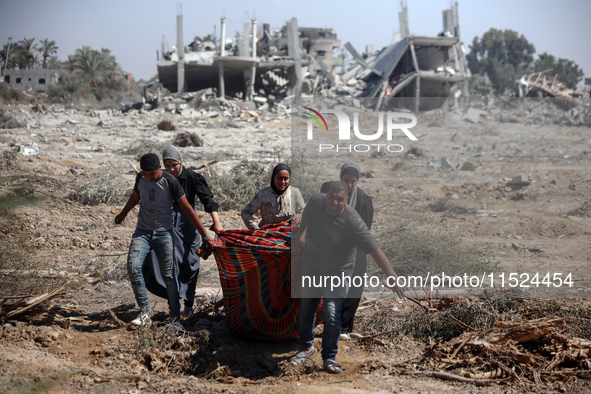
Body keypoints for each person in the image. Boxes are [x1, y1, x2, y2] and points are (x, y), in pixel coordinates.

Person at [290, 181, 404, 374]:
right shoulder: (317, 200)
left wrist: (392, 276)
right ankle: (306, 347)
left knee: (331, 311)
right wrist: (302, 233)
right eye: (331, 197)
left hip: (339, 269)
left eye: (339, 199)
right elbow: (307, 210)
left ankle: (329, 357)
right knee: (306, 307)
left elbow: (375, 250)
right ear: (326, 195)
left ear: (347, 200)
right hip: (313, 263)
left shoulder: (353, 221)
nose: (334, 202)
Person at [114, 153, 211, 327]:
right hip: (142, 232)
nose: (148, 178)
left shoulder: (170, 182)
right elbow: (135, 196)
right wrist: (123, 213)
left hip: (164, 234)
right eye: (145, 174)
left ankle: (175, 317)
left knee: (169, 275)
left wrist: (203, 233)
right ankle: (145, 311)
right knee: (133, 267)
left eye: (152, 174)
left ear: (159, 168)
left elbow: (188, 208)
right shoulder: (141, 178)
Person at [143, 145, 224, 319]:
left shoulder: (193, 178)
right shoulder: (160, 178)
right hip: (166, 223)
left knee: (190, 262)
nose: (171, 169)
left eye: (175, 165)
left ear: (180, 162)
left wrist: (216, 221)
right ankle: (173, 303)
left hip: (188, 224)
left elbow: (207, 200)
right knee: (165, 262)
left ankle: (188, 303)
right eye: (168, 166)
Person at [320, 161, 373, 341]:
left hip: (354, 246)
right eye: (345, 180)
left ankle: (345, 326)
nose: (349, 185)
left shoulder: (364, 199)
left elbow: (365, 228)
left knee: (355, 283)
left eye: (353, 181)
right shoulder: (328, 190)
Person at [241, 163, 305, 230]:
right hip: (267, 231)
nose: (283, 182)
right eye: (279, 178)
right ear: (273, 178)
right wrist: (255, 229)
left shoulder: (295, 193)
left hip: (288, 231)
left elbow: (303, 212)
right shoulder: (263, 194)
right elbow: (246, 212)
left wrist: (298, 219)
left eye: (286, 179)